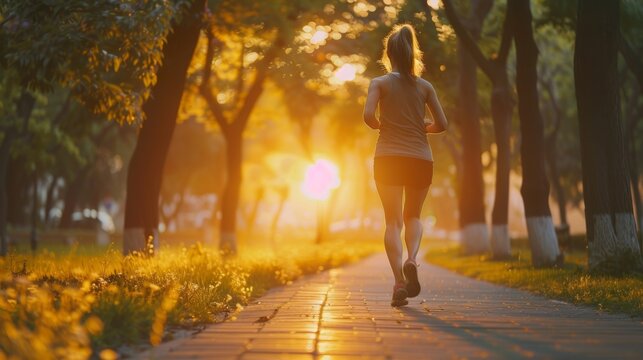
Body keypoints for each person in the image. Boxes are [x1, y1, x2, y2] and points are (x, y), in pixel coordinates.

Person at [363, 24, 448, 307]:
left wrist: (381, 125)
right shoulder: (424, 87)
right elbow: (442, 124)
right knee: (413, 217)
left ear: (389, 54)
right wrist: (425, 127)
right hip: (420, 159)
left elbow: (367, 116)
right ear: (413, 54)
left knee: (392, 222)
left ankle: (399, 281)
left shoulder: (380, 83)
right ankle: (412, 259)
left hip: (388, 156)